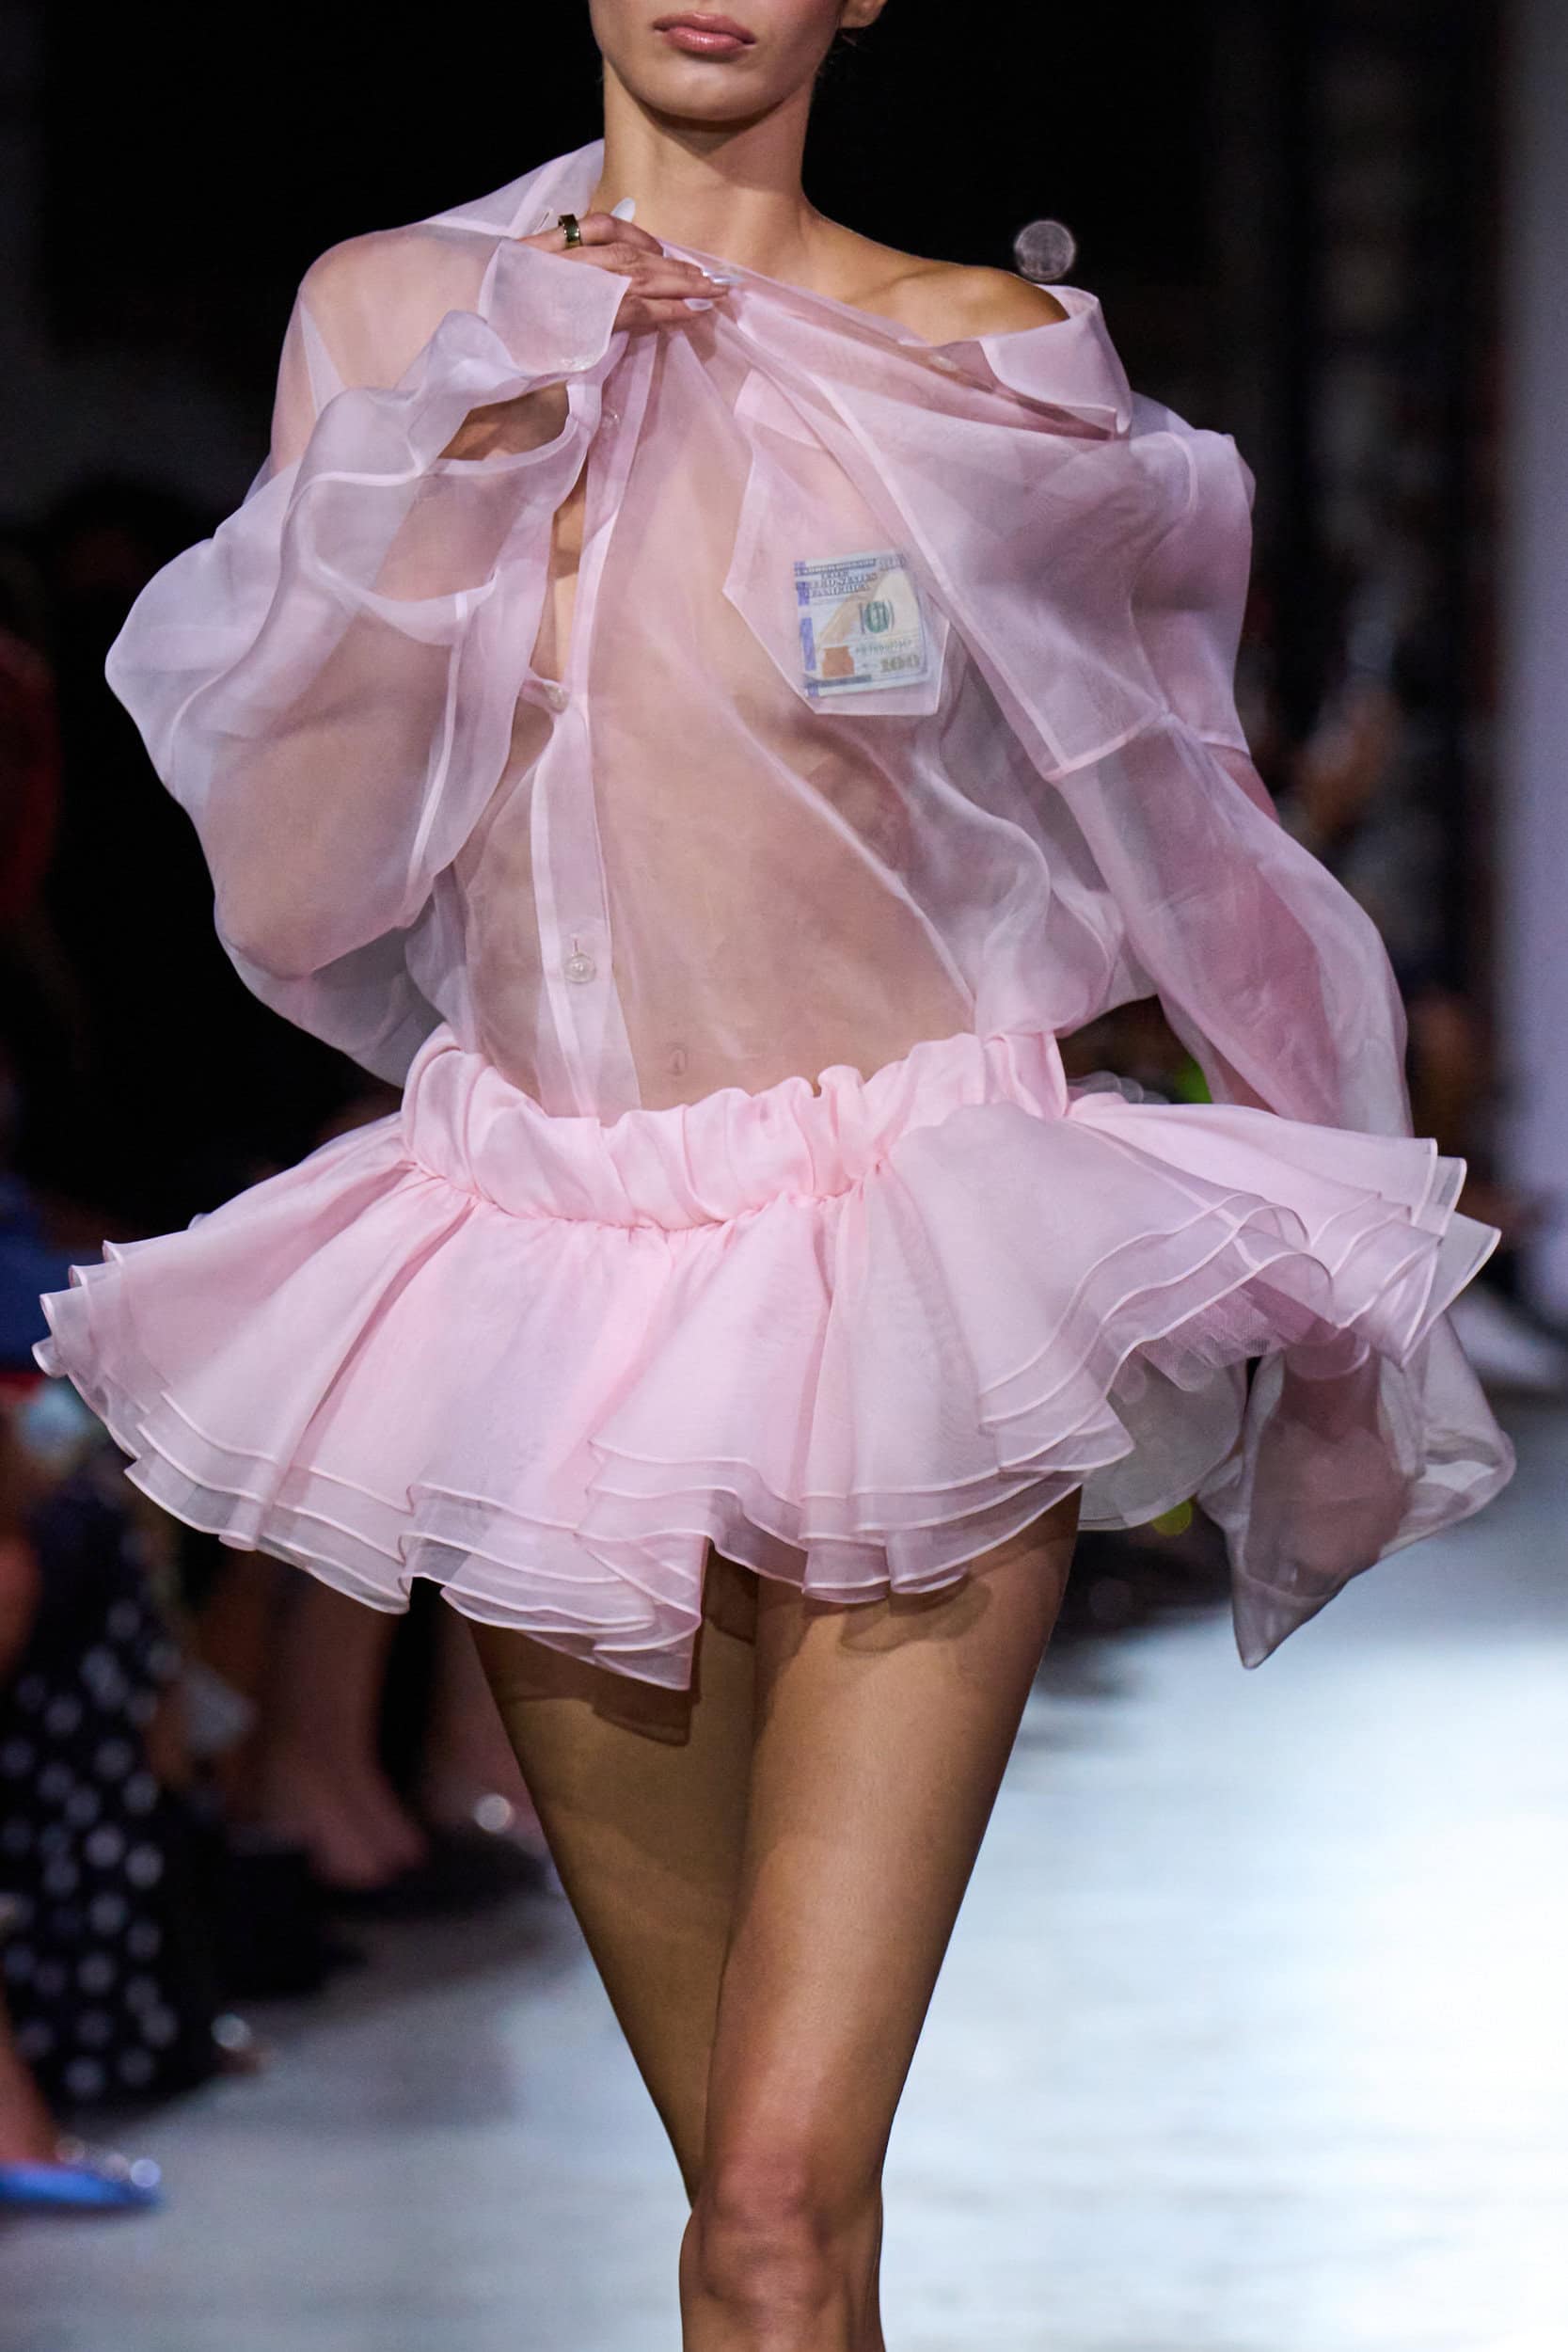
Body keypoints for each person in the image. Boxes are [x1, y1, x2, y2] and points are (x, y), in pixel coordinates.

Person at [31, 3, 1514, 2342]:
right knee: (757, 2192)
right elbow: (303, 887)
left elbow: (1164, 808)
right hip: (558, 1281)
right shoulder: (397, 319)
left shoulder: (983, 354)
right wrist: (455, 484)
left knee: (775, 2203)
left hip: (912, 1259)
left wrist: (1323, 1213)